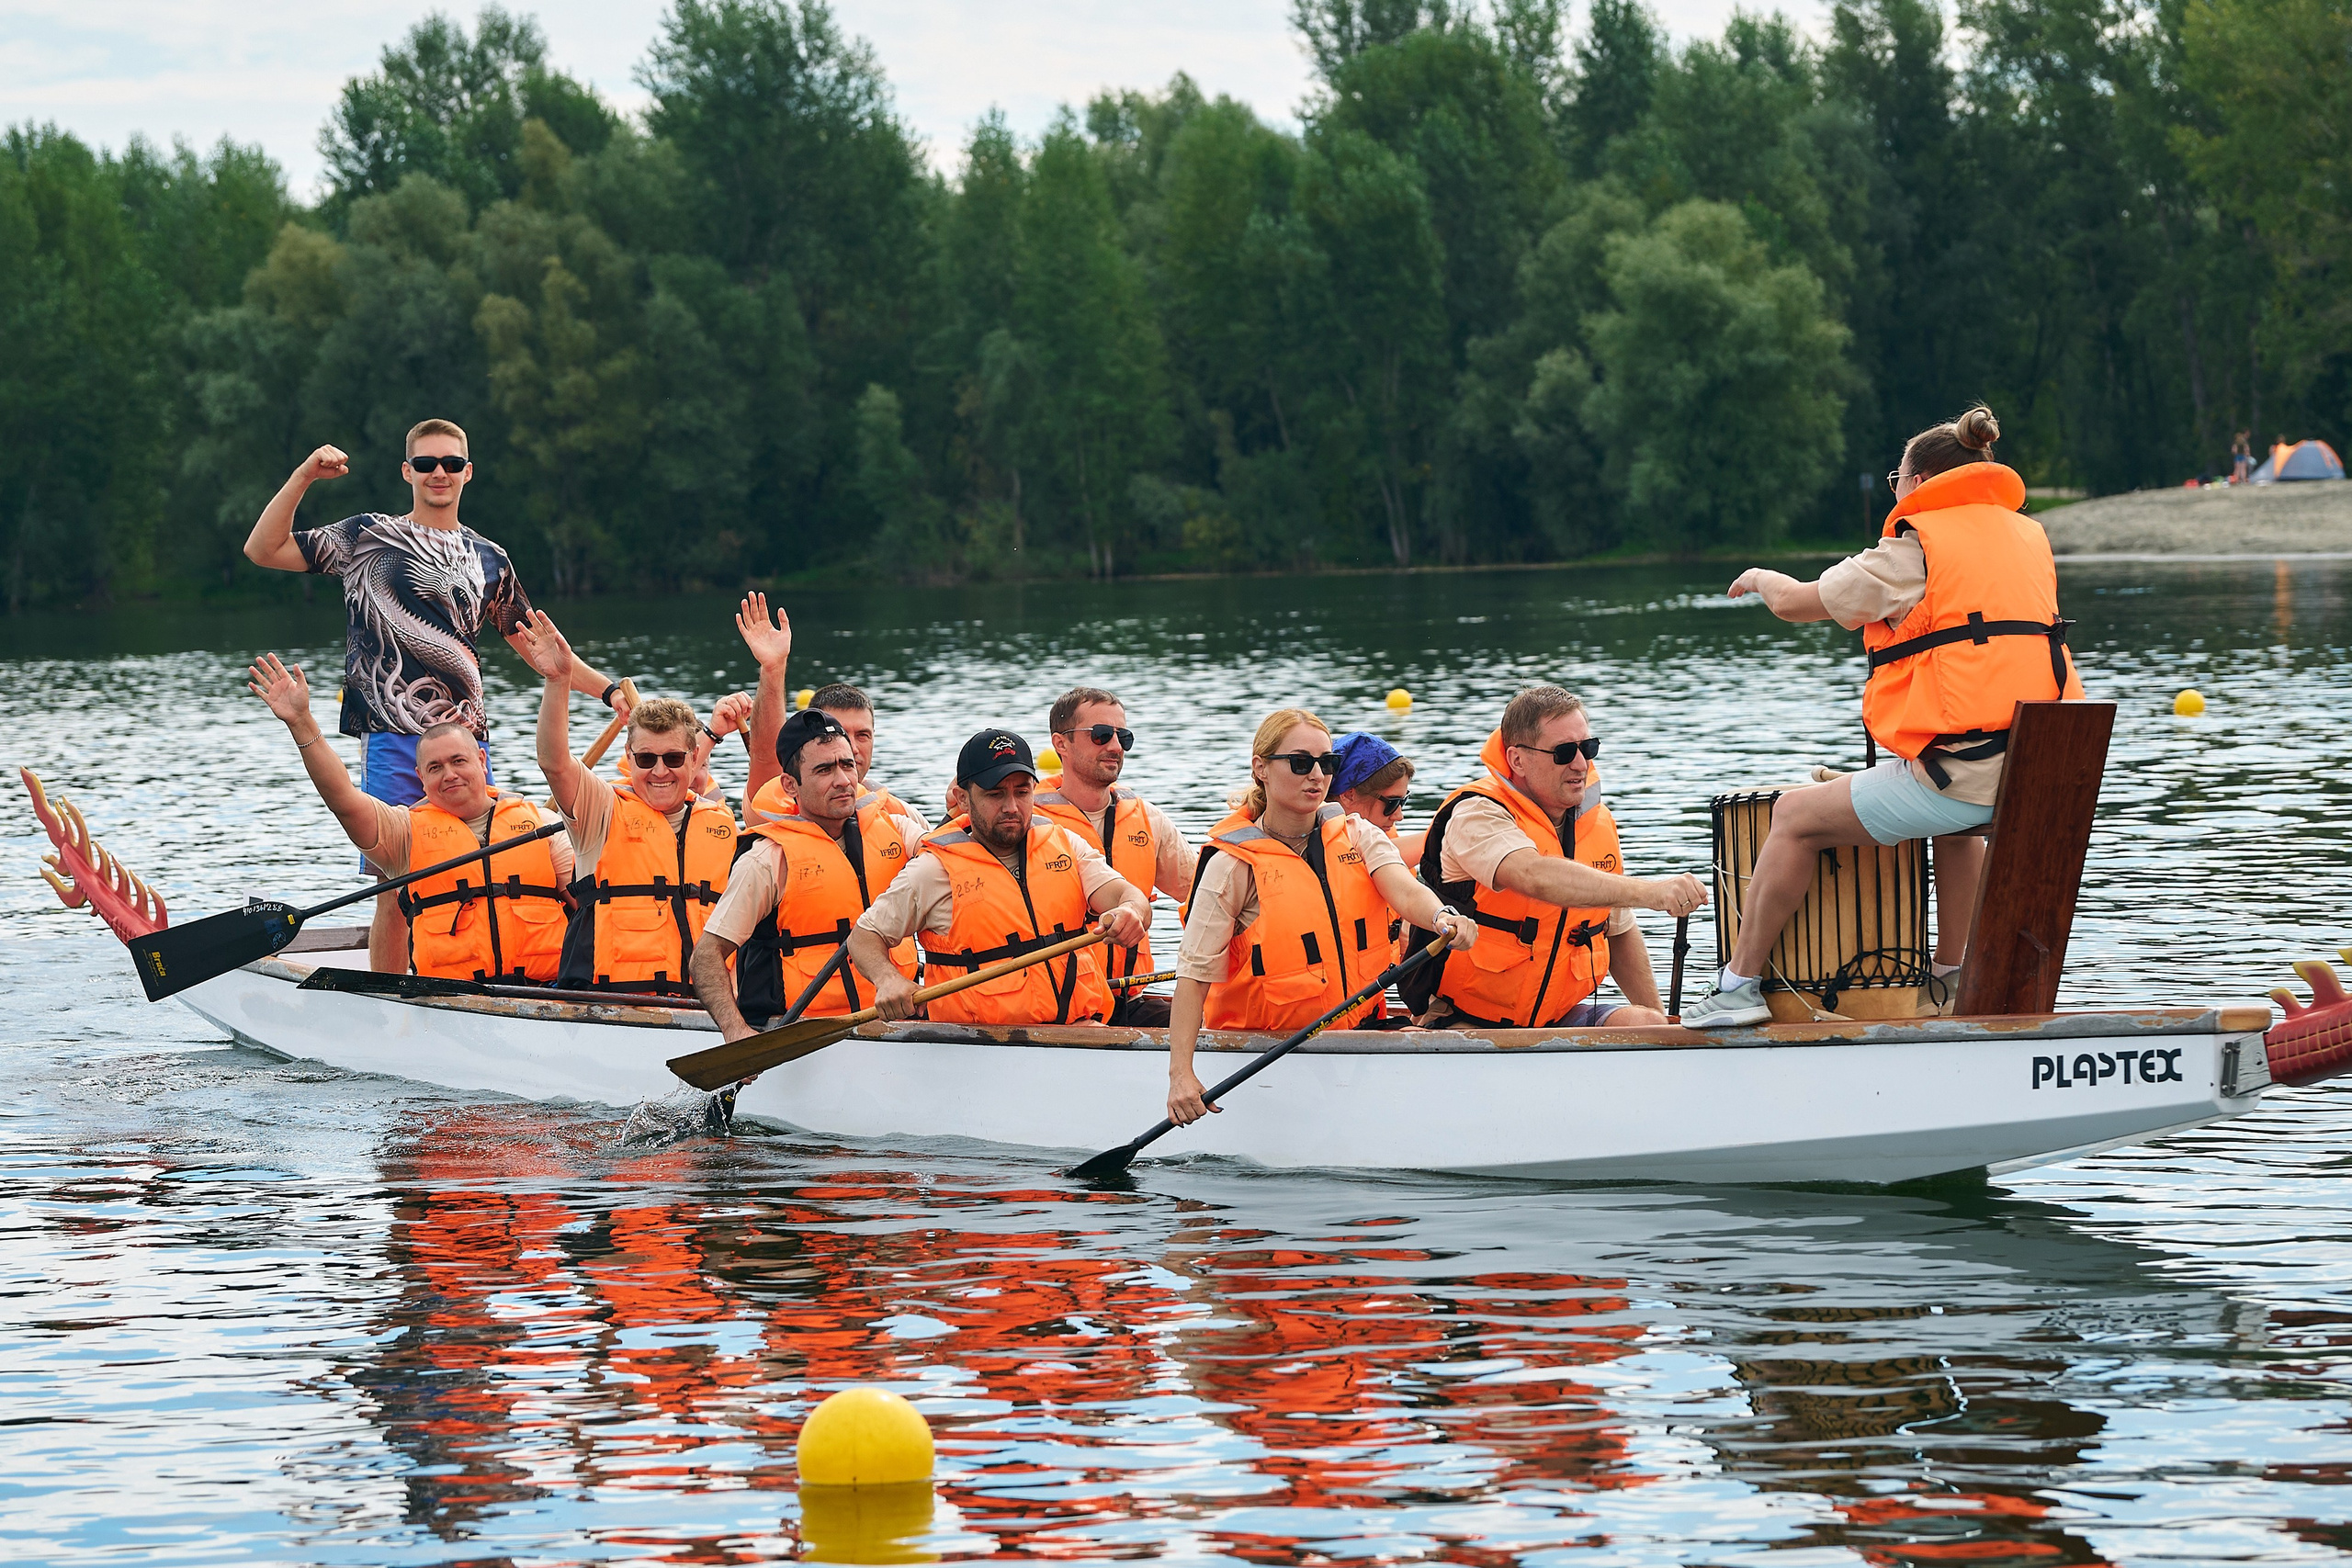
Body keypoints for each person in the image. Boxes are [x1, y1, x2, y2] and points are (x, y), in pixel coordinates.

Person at [1686, 403, 2084, 1028]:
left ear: (1920, 482)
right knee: (1954, 826)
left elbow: (1794, 603)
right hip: (2038, 776)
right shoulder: (2027, 535)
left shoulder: (1912, 549)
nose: (1895, 491)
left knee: (1792, 815)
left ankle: (1736, 986)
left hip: (1962, 777)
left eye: (1897, 480)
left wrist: (1762, 574)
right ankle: (1951, 980)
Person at [241, 421, 620, 973]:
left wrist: (607, 692)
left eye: (449, 463)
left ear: (467, 472)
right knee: (398, 882)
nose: (437, 473)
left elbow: (542, 650)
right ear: (407, 472)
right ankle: (389, 1000)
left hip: (469, 740)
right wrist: (304, 476)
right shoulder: (368, 535)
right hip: (395, 732)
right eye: (425, 464)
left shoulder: (490, 558)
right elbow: (263, 548)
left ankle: (486, 977)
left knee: (479, 871)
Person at [1163, 710, 1480, 1128]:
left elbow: (1404, 890)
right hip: (1267, 1049)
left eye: (1326, 764)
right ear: (1261, 768)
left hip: (1359, 1036)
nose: (1317, 775)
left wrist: (1443, 917)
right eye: (1300, 763)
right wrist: (1181, 1074)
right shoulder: (1231, 866)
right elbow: (1194, 971)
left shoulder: (1356, 833)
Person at [245, 650, 572, 982]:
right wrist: (302, 723)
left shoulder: (542, 826)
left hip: (548, 991)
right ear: (420, 777)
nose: (449, 775)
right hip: (451, 999)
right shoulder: (405, 832)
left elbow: (585, 905)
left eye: (459, 761)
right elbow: (342, 799)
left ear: (481, 760)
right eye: (435, 767)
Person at [1405, 687, 1701, 1041]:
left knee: (1650, 1027)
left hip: (1560, 1013)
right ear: (1517, 760)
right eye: (1563, 752)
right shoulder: (1477, 813)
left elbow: (1619, 931)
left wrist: (1666, 1029)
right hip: (1468, 1018)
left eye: (1587, 748)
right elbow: (1533, 874)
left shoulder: (1597, 822)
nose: (1581, 764)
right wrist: (1652, 892)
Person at [845, 729, 1149, 1029]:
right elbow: (863, 937)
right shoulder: (933, 870)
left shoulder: (1067, 845)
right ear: (963, 799)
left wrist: (1131, 912)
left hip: (1080, 1032)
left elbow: (1126, 895)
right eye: (995, 794)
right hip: (982, 1048)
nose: (1011, 807)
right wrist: (888, 979)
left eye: (1022, 792)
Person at [515, 610, 744, 995]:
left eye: (672, 758)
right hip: (611, 1008)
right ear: (629, 755)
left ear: (694, 758)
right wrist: (558, 681)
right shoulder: (600, 810)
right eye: (645, 759)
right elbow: (554, 764)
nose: (659, 771)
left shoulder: (719, 822)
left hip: (706, 1010)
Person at [691, 708, 931, 1039]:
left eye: (847, 765)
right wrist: (735, 1030)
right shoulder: (767, 860)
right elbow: (705, 957)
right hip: (800, 1034)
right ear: (790, 785)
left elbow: (952, 863)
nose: (844, 780)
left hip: (891, 1025)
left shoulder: (895, 829)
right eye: (824, 770)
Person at [1034, 686, 1194, 1023]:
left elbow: (1205, 895)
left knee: (1204, 1020)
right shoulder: (1025, 821)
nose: (1115, 747)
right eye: (1101, 735)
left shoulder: (1147, 819)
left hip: (1127, 995)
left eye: (1123, 736)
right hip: (1053, 1006)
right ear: (1060, 744)